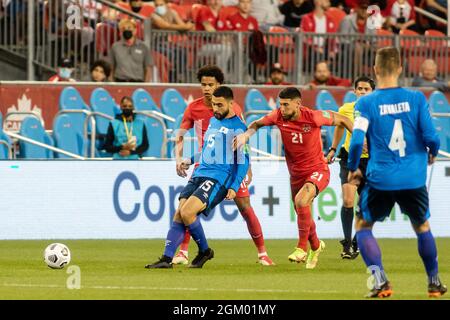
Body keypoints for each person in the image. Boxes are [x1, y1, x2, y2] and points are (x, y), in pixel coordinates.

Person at [347, 47, 447, 298]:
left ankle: (380, 281)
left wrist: (353, 168)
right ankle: (434, 282)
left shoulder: (366, 102)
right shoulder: (416, 99)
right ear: (401, 68)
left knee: (362, 225)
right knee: (422, 226)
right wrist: (432, 152)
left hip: (381, 178)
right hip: (413, 177)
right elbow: (432, 137)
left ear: (376, 70)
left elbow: (357, 140)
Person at [235, 87, 353, 269]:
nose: (282, 108)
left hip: (318, 169)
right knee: (302, 210)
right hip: (295, 174)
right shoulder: (277, 116)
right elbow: (256, 124)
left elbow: (344, 119)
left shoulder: (314, 116)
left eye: (286, 104)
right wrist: (246, 135)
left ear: (298, 104)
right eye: (280, 104)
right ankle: (316, 245)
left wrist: (362, 140)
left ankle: (301, 248)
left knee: (301, 200)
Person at [172, 65, 274, 266]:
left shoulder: (232, 109)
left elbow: (243, 139)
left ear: (219, 86)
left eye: (211, 84)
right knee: (188, 208)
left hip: (229, 164)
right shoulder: (193, 108)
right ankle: (183, 252)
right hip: (204, 162)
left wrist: (248, 167)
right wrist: (179, 158)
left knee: (245, 206)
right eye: (203, 85)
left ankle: (262, 253)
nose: (207, 88)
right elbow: (181, 135)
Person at [145, 86, 250, 269]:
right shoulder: (214, 122)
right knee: (179, 212)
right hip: (200, 172)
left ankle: (204, 251)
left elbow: (244, 161)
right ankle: (166, 259)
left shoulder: (239, 128)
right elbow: (208, 150)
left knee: (188, 212)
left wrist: (233, 186)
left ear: (231, 103)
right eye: (213, 104)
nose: (215, 109)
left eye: (219, 105)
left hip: (218, 178)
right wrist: (190, 159)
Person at [325, 75, 375, 259]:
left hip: (371, 160)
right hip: (349, 158)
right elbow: (338, 126)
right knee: (348, 201)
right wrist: (332, 149)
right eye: (359, 88)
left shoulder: (377, 110)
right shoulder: (346, 109)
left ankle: (357, 240)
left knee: (366, 206)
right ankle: (346, 244)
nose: (362, 91)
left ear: (372, 92)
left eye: (366, 89)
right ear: (354, 91)